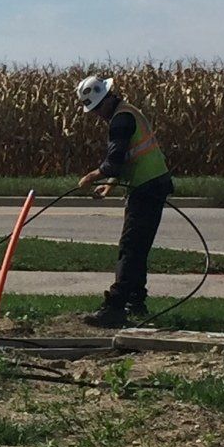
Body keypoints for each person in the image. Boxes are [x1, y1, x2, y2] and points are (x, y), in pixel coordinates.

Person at [73, 75, 173, 328]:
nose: (96, 114)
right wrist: (112, 184)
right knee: (137, 248)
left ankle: (115, 307)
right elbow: (130, 156)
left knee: (130, 248)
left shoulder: (121, 120)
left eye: (96, 108)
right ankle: (135, 302)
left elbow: (114, 160)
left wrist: (93, 176)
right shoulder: (126, 113)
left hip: (147, 187)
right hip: (151, 184)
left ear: (106, 100)